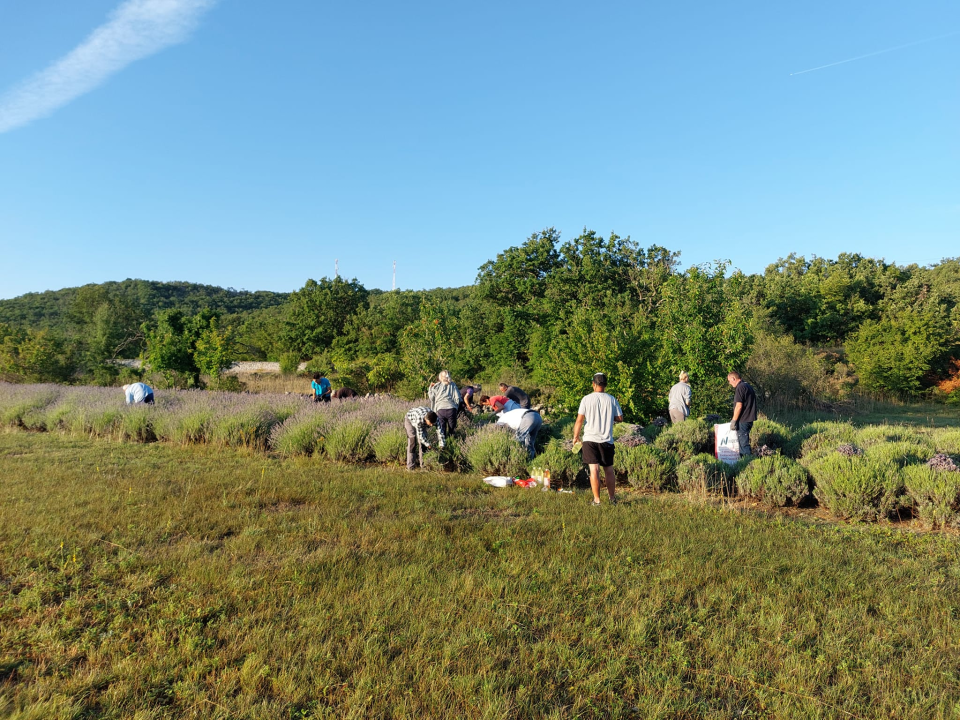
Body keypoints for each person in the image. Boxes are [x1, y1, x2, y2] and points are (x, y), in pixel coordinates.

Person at [572, 373, 623, 505]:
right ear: (605, 385)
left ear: (593, 384)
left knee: (594, 469)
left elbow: (579, 420)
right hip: (606, 439)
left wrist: (575, 437)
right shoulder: (612, 399)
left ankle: (597, 500)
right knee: (609, 469)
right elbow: (620, 418)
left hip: (590, 439)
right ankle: (612, 499)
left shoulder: (586, 399)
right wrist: (609, 416)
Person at [727, 371, 757, 457]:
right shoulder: (748, 386)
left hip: (743, 420)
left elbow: (739, 406)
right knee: (744, 443)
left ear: (734, 378)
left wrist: (734, 420)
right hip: (749, 419)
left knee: (743, 445)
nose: (729, 383)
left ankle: (747, 463)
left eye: (729, 380)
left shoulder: (740, 387)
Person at [428, 370, 462, 436]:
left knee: (442, 429)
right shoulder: (453, 384)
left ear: (440, 377)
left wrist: (430, 388)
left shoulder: (437, 386)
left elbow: (432, 397)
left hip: (440, 409)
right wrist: (456, 407)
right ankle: (453, 441)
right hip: (452, 408)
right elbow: (458, 398)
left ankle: (443, 443)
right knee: (452, 429)